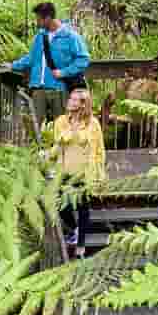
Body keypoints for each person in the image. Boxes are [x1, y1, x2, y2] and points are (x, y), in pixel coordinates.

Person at [7, 2, 91, 127]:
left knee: (62, 127)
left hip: (59, 89)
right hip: (38, 89)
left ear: (48, 18)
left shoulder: (70, 37)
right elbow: (31, 58)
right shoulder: (40, 36)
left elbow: (83, 59)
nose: (37, 23)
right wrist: (12, 66)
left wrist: (64, 72)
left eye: (39, 19)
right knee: (35, 128)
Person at [46, 87, 106, 259]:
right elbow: (56, 149)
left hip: (84, 173)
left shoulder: (93, 124)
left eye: (73, 100)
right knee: (62, 207)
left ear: (82, 104)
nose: (69, 101)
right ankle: (74, 229)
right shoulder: (60, 122)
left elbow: (99, 150)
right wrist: (50, 155)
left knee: (83, 208)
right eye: (70, 98)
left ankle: (80, 245)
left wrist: (99, 173)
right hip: (64, 172)